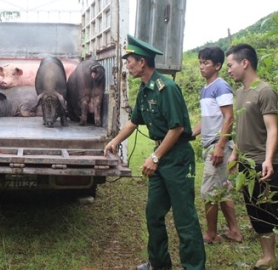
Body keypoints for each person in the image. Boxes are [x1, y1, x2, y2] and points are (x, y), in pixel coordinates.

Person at [104, 34, 206, 270]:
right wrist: (115, 141)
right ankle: (159, 265)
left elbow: (178, 127)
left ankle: (194, 267)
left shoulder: (166, 88)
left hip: (177, 158)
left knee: (184, 218)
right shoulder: (145, 90)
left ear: (142, 62)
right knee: (153, 214)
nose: (127, 66)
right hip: (160, 158)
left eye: (129, 61)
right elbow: (134, 121)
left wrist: (155, 156)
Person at [226, 44, 278, 269]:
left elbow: (273, 129)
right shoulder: (240, 92)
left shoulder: (265, 91)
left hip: (264, 163)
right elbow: (241, 127)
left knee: (270, 209)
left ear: (244, 63)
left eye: (230, 65)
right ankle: (268, 256)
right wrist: (235, 154)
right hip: (246, 163)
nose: (229, 70)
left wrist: (268, 159)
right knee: (256, 211)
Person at [191, 46, 243, 244]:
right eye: (200, 62)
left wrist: (220, 147)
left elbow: (229, 118)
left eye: (206, 63)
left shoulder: (221, 87)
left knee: (209, 193)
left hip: (217, 146)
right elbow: (207, 120)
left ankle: (211, 235)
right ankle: (234, 232)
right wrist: (189, 134)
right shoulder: (206, 89)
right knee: (222, 190)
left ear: (218, 65)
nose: (201, 67)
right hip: (210, 145)